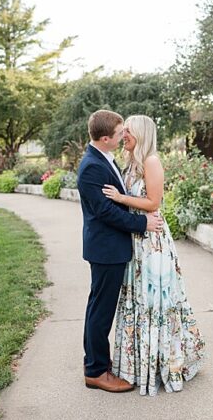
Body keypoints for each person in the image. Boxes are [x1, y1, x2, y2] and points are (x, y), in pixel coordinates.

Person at [102, 115, 205, 395]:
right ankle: (137, 365)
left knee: (155, 300)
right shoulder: (131, 163)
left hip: (152, 242)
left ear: (141, 134)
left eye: (128, 132)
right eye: (122, 132)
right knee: (137, 299)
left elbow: (153, 202)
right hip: (134, 239)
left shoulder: (151, 161)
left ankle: (165, 363)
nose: (124, 136)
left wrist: (121, 198)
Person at [78, 109, 162, 393]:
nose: (123, 135)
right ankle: (96, 371)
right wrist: (143, 223)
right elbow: (105, 212)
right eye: (119, 133)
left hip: (111, 247)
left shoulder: (105, 159)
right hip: (106, 248)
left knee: (99, 308)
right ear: (105, 138)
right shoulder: (92, 166)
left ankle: (99, 363)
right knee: (100, 312)